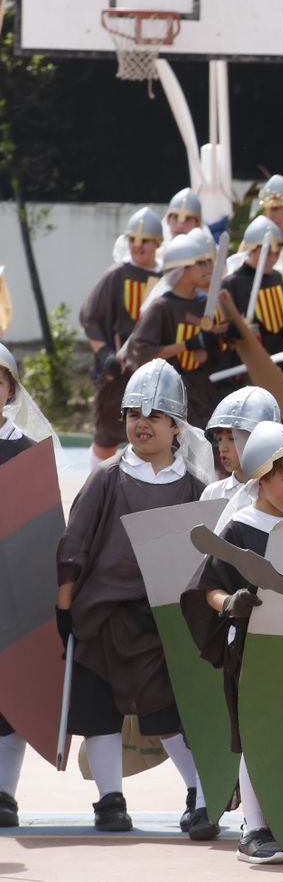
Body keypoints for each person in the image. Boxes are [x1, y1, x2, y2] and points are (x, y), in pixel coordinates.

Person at [54, 360, 214, 836]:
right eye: (132, 414)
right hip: (100, 616)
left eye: (154, 415)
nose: (141, 424)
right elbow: (74, 548)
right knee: (98, 712)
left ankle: (199, 793)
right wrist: (64, 611)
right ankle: (109, 800)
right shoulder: (107, 477)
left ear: (175, 426)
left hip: (160, 621)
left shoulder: (193, 488)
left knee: (165, 713)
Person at [180, 422, 283, 864]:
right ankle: (254, 829)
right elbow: (206, 588)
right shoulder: (239, 529)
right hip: (253, 651)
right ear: (261, 478)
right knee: (257, 733)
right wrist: (229, 604)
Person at [0, 342, 62, 828]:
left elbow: (41, 535)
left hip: (13, 593)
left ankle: (3, 793)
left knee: (13, 691)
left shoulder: (27, 453)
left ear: (10, 390)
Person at [81, 207, 164, 462]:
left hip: (154, 373)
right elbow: (90, 317)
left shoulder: (166, 279)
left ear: (157, 243)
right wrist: (105, 354)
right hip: (119, 370)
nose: (138, 246)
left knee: (155, 436)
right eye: (133, 240)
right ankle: (96, 489)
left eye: (145, 241)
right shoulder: (116, 275)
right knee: (108, 434)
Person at [123, 227, 225, 428]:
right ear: (183, 270)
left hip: (202, 392)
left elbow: (215, 355)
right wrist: (186, 345)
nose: (207, 268)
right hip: (169, 396)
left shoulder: (204, 303)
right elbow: (142, 353)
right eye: (199, 264)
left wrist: (210, 351)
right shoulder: (161, 307)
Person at [222, 215, 283, 361]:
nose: (273, 259)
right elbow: (223, 331)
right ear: (251, 249)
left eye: (276, 254)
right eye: (267, 253)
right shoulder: (231, 283)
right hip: (248, 361)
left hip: (280, 356)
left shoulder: (276, 278)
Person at [201, 386, 282, 504]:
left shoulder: (282, 491)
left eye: (231, 438)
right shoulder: (213, 493)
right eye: (219, 439)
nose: (222, 448)